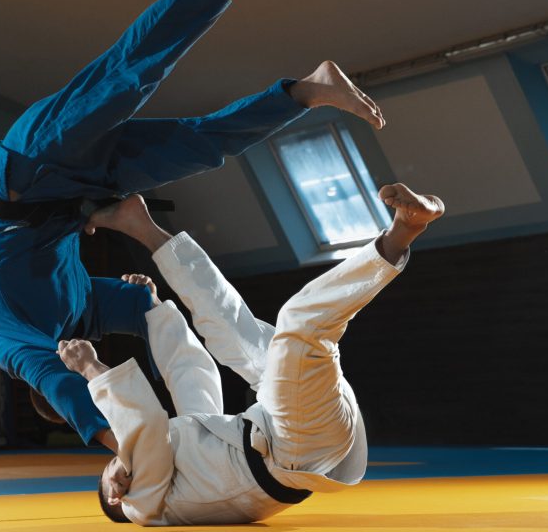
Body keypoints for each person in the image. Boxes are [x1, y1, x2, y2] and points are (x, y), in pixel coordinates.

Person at [0, 0, 385, 452]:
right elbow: (146, 315)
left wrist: (124, 449)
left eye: (89, 388)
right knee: (200, 146)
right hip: (85, 188)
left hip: (30, 168)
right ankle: (308, 90)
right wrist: (183, 409)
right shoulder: (83, 318)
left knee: (127, 80)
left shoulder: (11, 345)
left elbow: (60, 386)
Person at [57, 182, 445, 525]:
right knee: (299, 323)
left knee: (228, 331)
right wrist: (92, 369)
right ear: (115, 497)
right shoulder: (142, 507)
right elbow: (142, 429)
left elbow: (192, 372)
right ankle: (400, 235)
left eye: (113, 465)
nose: (120, 464)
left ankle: (144, 228)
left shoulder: (177, 464)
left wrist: (155, 309)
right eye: (113, 470)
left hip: (288, 426)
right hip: (293, 449)